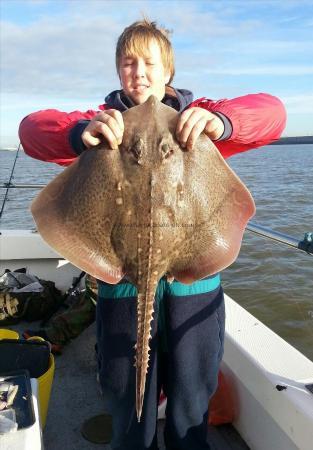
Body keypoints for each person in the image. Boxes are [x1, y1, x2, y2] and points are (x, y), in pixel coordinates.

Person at [19, 19, 286, 450]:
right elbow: (31, 130)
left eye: (149, 63)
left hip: (193, 285)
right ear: (118, 71)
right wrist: (77, 134)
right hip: (121, 286)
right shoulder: (101, 127)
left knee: (190, 403)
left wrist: (222, 121)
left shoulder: (195, 123)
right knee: (128, 405)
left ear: (168, 72)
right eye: (128, 63)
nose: (138, 72)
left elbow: (273, 112)